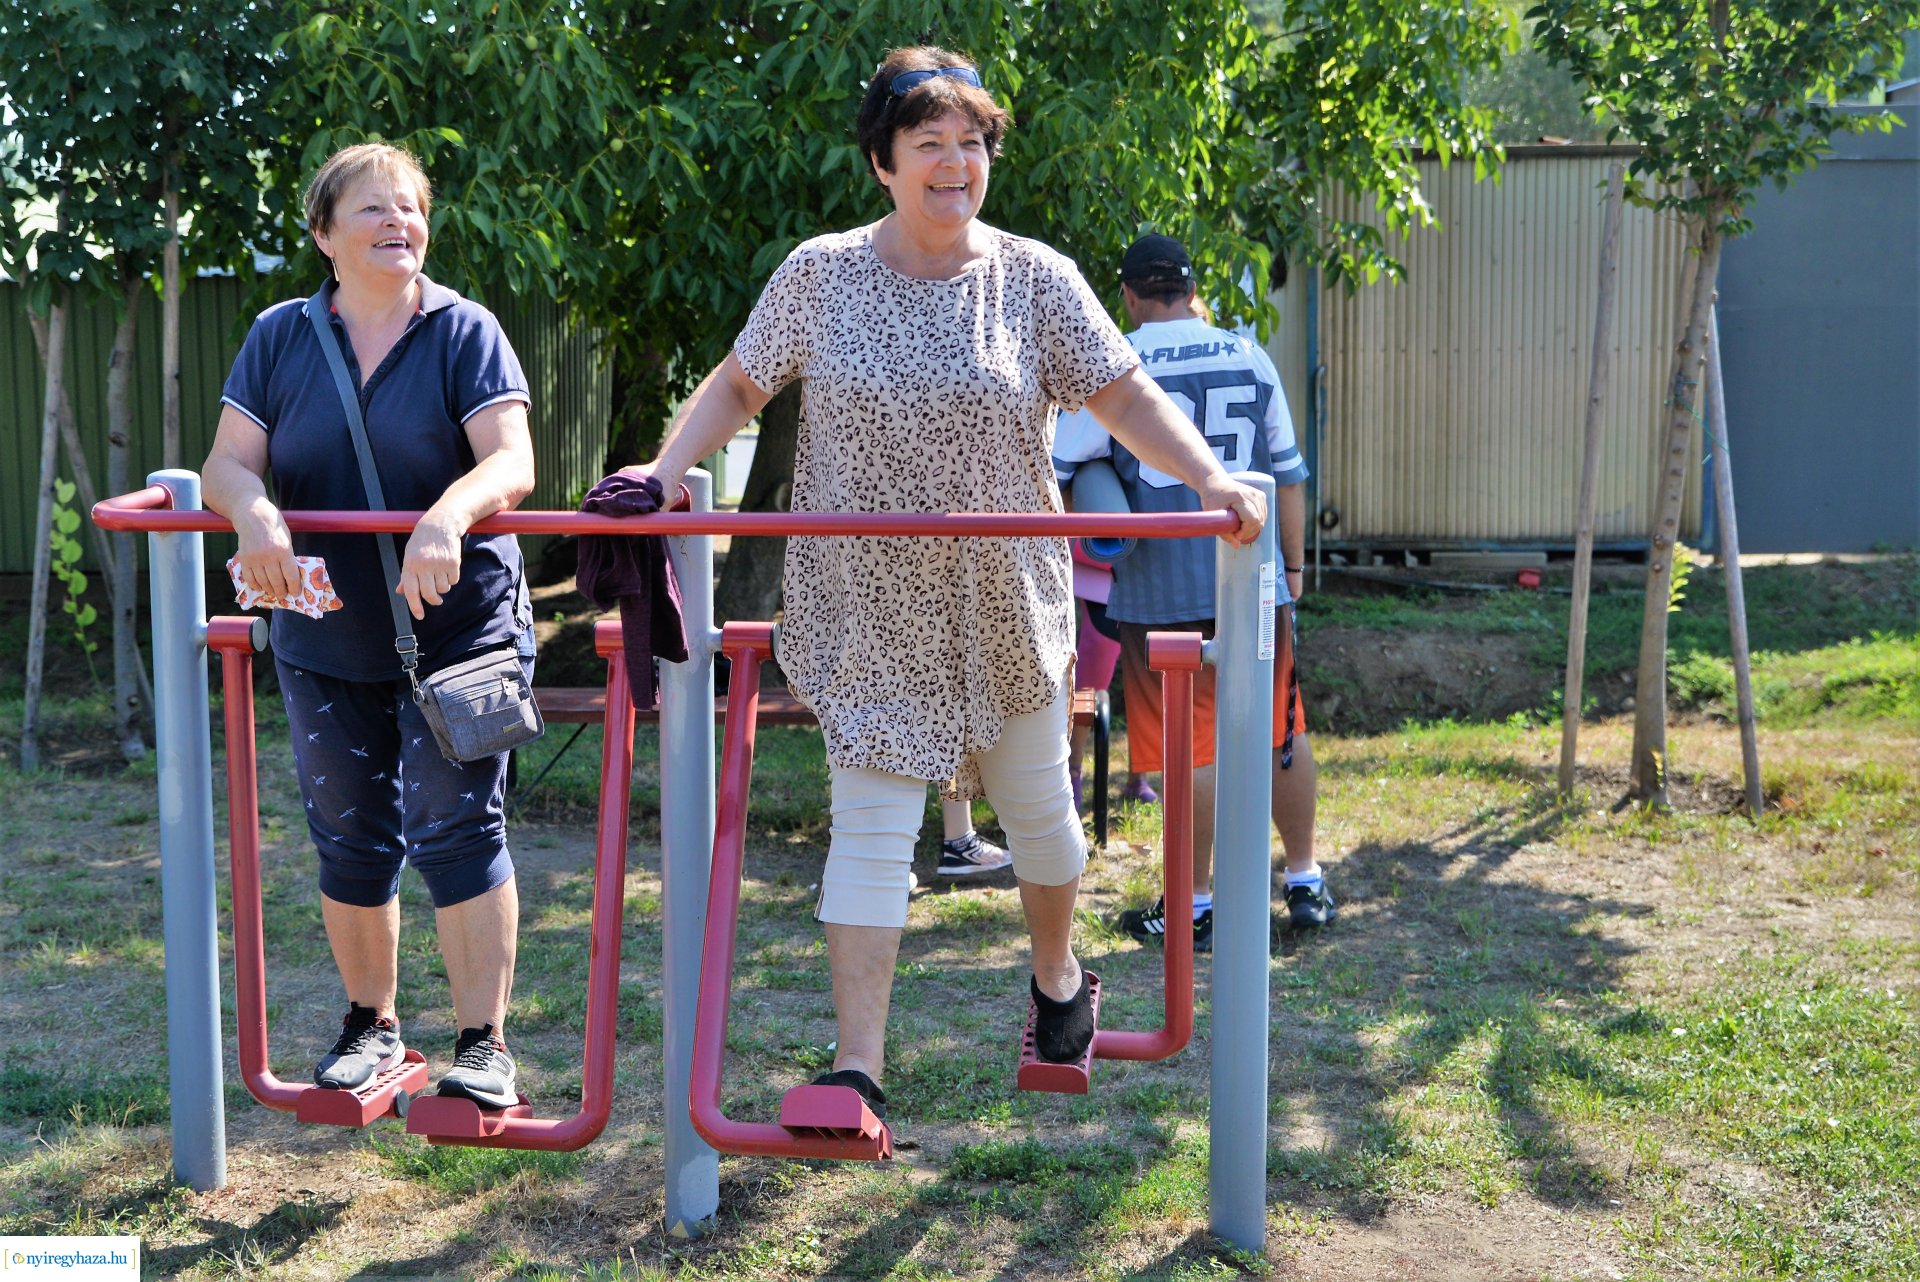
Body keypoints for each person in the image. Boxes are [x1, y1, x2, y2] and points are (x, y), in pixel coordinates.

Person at [628, 47, 1267, 1118]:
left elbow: (1123, 392)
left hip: (1003, 597)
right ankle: (859, 1067)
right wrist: (658, 472)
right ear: (883, 161)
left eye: (971, 142)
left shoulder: (1033, 277)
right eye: (928, 143)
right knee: (871, 829)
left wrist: (1205, 476)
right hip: (867, 601)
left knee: (1038, 817)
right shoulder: (820, 273)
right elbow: (742, 381)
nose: (954, 163)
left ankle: (1060, 979)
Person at [203, 143, 538, 1109]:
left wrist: (449, 514)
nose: (398, 224)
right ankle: (374, 1027)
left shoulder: (464, 330)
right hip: (326, 634)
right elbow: (228, 463)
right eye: (372, 210)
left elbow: (511, 462)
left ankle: (484, 1046)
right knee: (349, 835)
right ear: (323, 235)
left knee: (456, 826)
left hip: (458, 627)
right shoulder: (279, 335)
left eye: (411, 209)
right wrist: (254, 513)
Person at [1054, 233, 1336, 955]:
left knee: (1192, 750)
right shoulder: (1248, 352)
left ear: (1127, 294)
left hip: (1158, 588)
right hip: (1254, 577)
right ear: (1190, 286)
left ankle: (1196, 904)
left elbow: (1066, 469)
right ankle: (1303, 880)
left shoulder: (1115, 361)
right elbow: (1289, 474)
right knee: (1282, 732)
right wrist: (1293, 571)